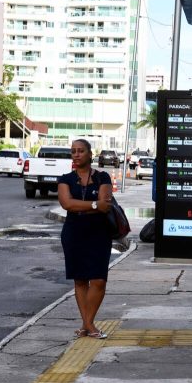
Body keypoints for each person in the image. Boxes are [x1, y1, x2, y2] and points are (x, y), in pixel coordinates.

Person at [58, 139, 114, 339]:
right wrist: (93, 206)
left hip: (99, 233)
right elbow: (67, 204)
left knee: (98, 280)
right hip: (73, 234)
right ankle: (89, 325)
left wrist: (84, 205)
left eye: (81, 151)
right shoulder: (65, 179)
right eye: (73, 151)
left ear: (90, 154)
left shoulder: (102, 176)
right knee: (80, 280)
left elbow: (105, 205)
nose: (76, 154)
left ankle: (87, 324)